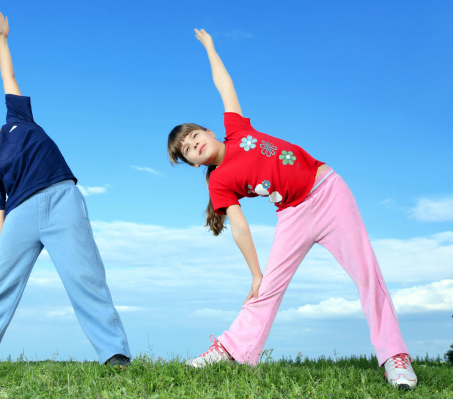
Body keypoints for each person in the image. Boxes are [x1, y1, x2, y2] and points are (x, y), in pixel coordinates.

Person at [167, 29, 417, 389]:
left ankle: (395, 357)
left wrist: (209, 47)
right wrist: (255, 273)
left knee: (367, 273)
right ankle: (228, 350)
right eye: (188, 150)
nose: (194, 145)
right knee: (266, 288)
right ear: (192, 164)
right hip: (293, 215)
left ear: (209, 130)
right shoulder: (217, 181)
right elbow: (239, 227)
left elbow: (224, 84)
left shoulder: (235, 129)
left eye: (194, 137)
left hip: (328, 191)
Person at [0, 10, 130, 372]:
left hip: (61, 199)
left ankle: (114, 354)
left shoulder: (18, 120)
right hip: (21, 217)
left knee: (85, 276)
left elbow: (8, 76)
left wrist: (1, 39)